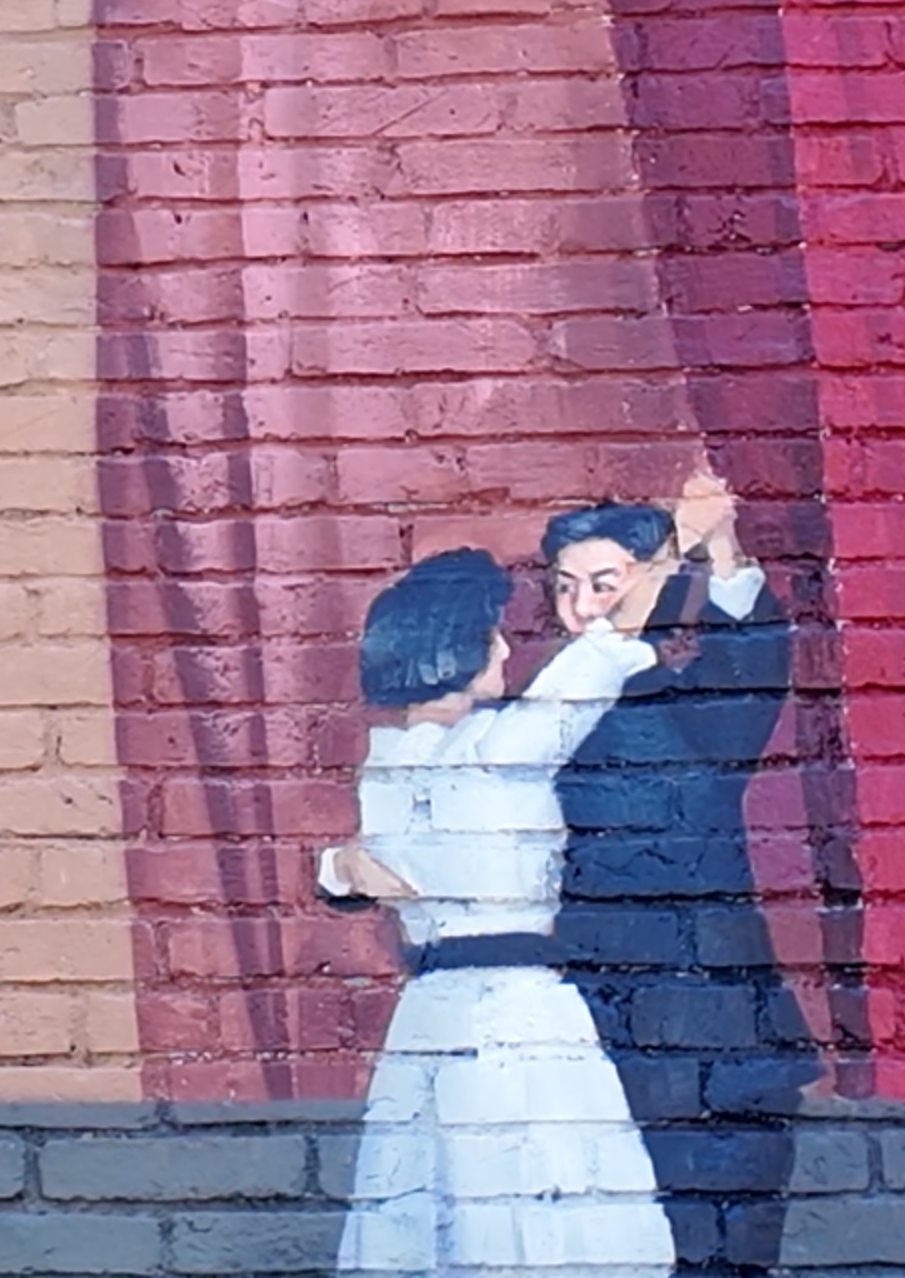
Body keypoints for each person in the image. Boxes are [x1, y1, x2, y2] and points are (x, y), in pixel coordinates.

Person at [316, 547, 677, 1278]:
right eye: (492, 634)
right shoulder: (500, 749)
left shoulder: (386, 767)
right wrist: (664, 562)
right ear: (454, 645)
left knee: (434, 1207)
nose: (508, 649)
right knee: (534, 1201)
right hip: (518, 1013)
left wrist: (340, 868)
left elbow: (359, 868)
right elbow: (594, 663)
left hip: (430, 1017)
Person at [545, 475, 817, 1276]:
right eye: (565, 588)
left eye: (605, 583)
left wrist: (717, 549)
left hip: (722, 1030)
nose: (583, 608)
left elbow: (750, 658)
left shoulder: (698, 709)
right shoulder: (545, 712)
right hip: (602, 1026)